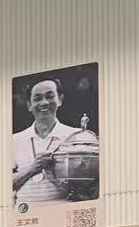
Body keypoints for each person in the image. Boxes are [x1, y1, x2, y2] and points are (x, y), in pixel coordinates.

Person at [12, 78, 99, 209]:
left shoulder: (76, 137)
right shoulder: (15, 140)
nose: (44, 102)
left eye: (50, 96)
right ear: (29, 105)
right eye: (38, 98)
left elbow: (95, 182)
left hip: (64, 212)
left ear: (60, 100)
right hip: (25, 214)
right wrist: (32, 169)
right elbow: (1, 187)